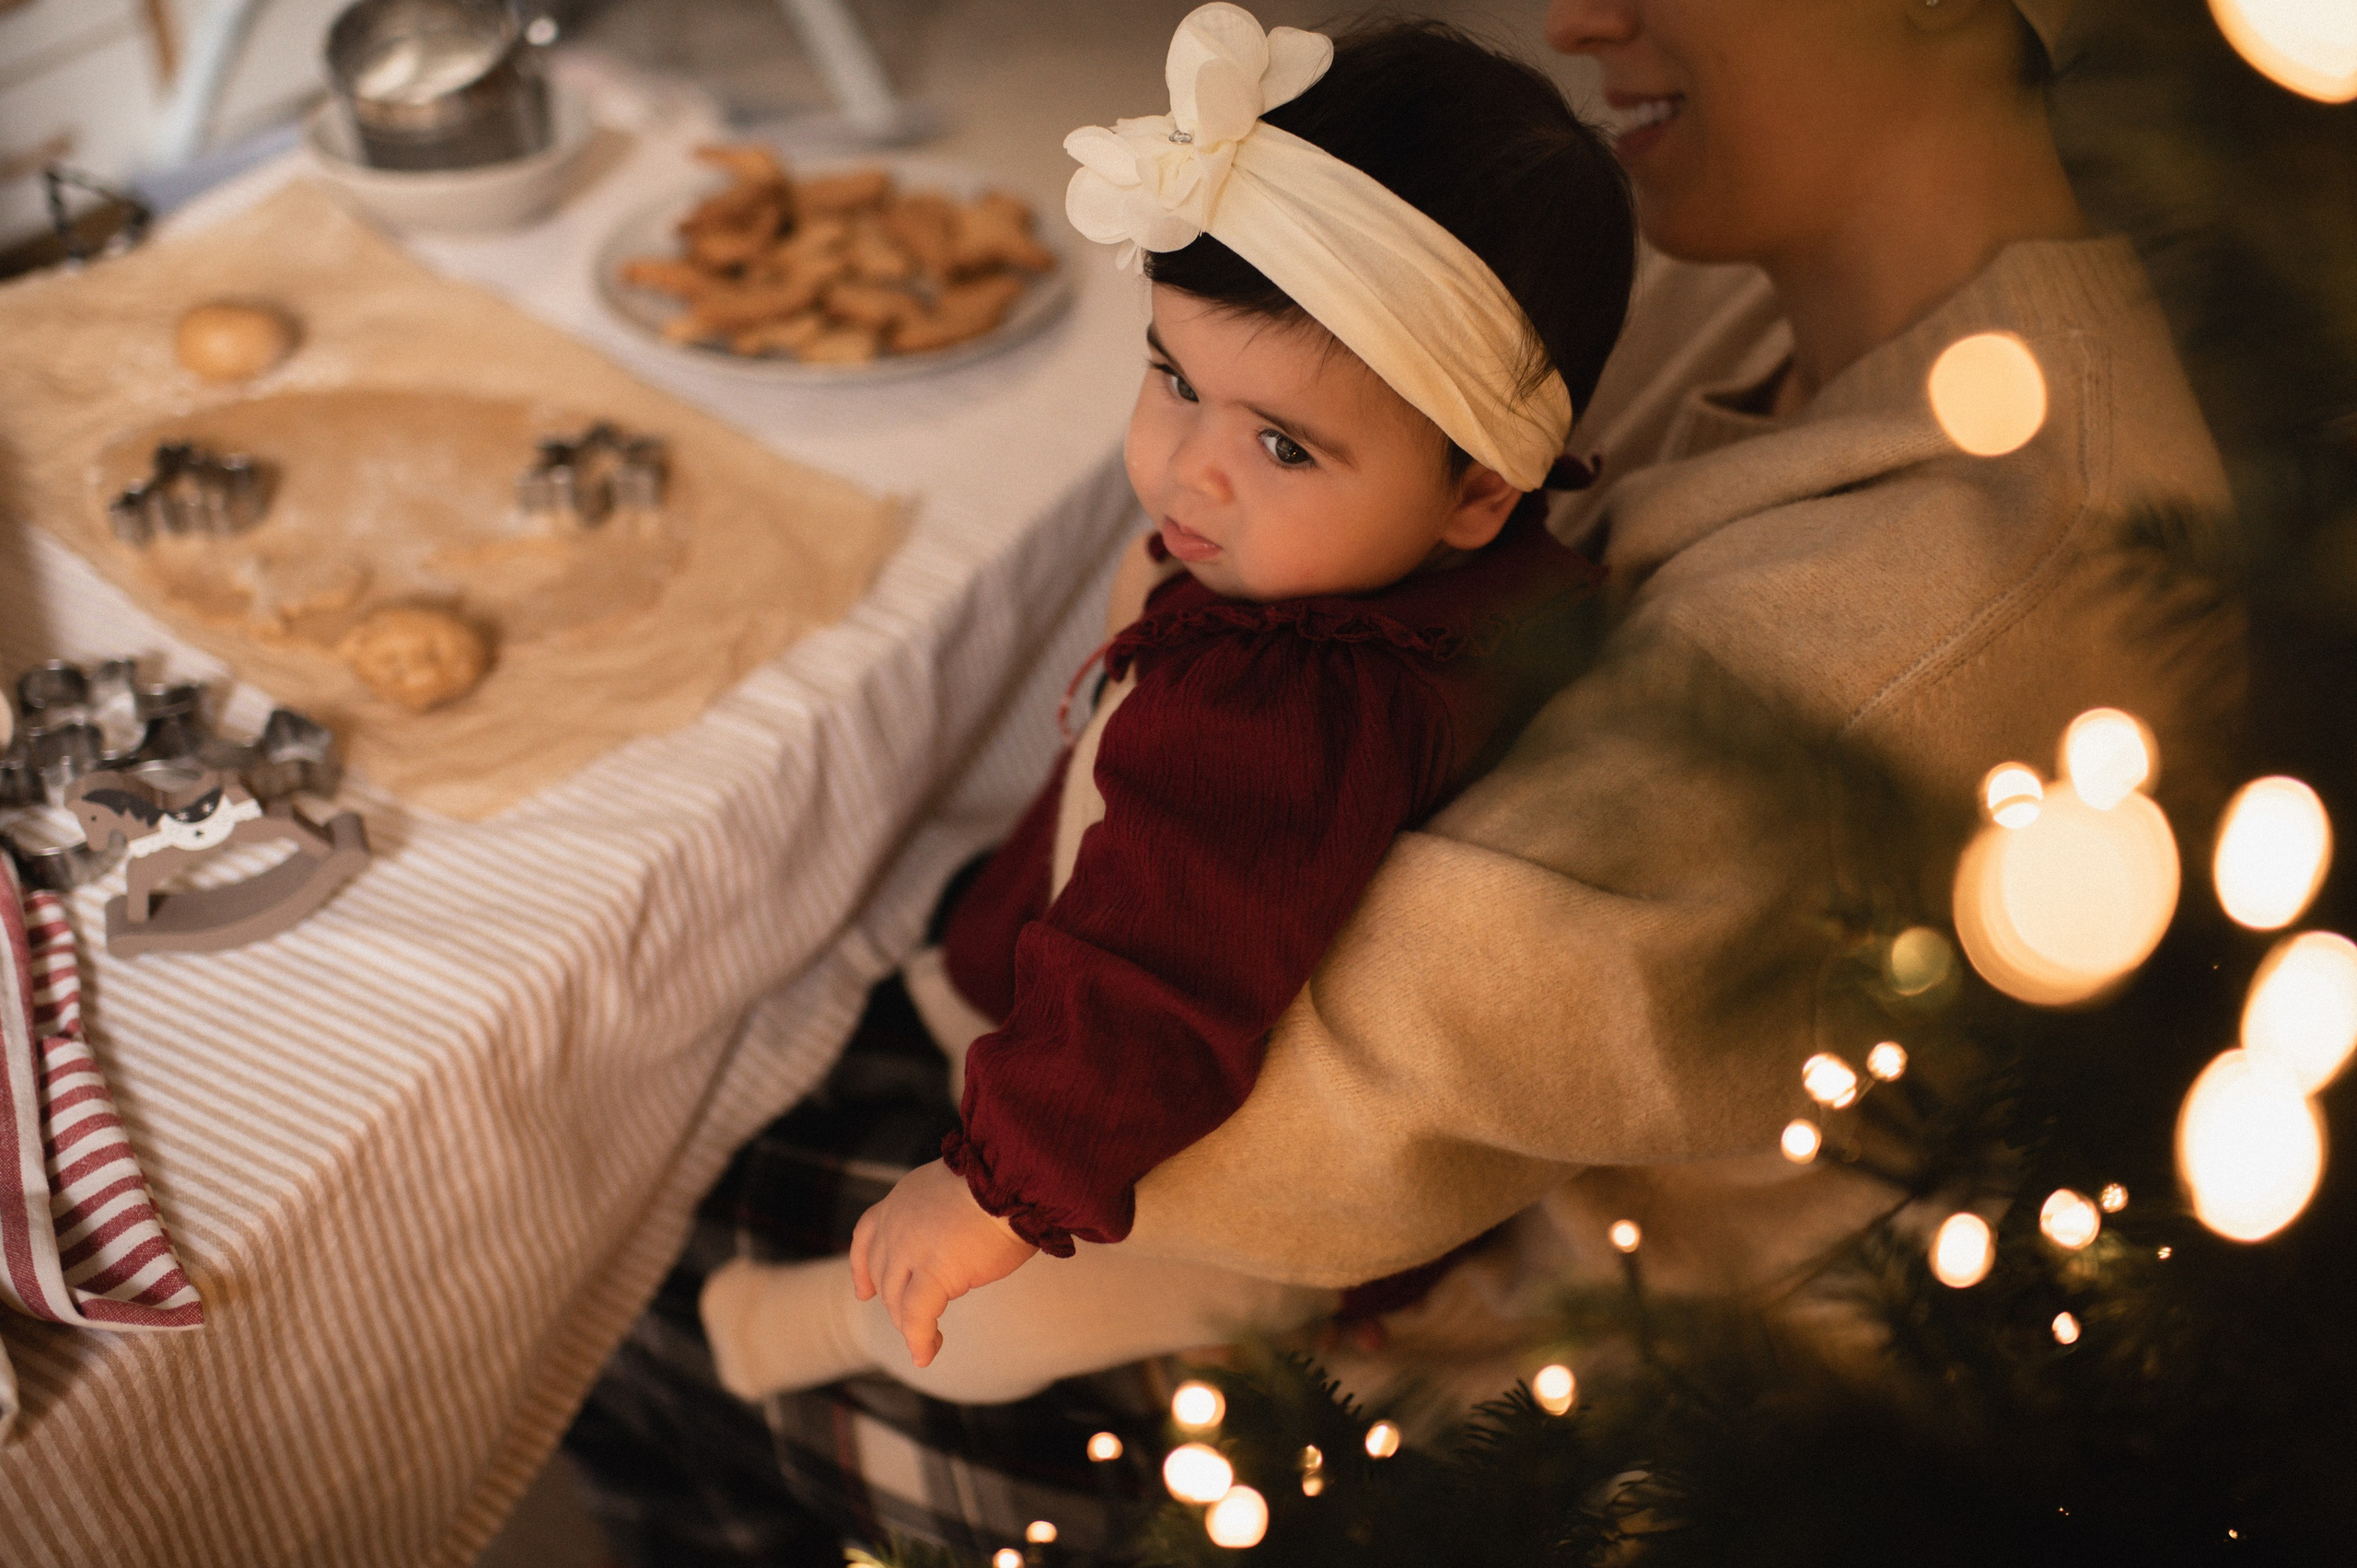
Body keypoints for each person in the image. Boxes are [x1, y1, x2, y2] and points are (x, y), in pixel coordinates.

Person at [565, 0, 2243, 1558]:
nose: (1577, 16)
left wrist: (1128, 735)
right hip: (1198, 1122)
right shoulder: (1765, 288)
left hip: (1432, 1373)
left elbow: (1279, 1131)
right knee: (724, 1010)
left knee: (611, 1207)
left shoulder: (1974, 583)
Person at [695, 6, 1635, 1405]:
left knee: (993, 1321)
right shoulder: (1482, 589)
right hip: (1114, 1009)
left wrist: (994, 1189)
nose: (1191, 470)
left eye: (1282, 446)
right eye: (1177, 378)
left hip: (1161, 1136)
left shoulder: (1283, 713)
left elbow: (1158, 971)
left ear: (1479, 491)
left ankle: (788, 1329)